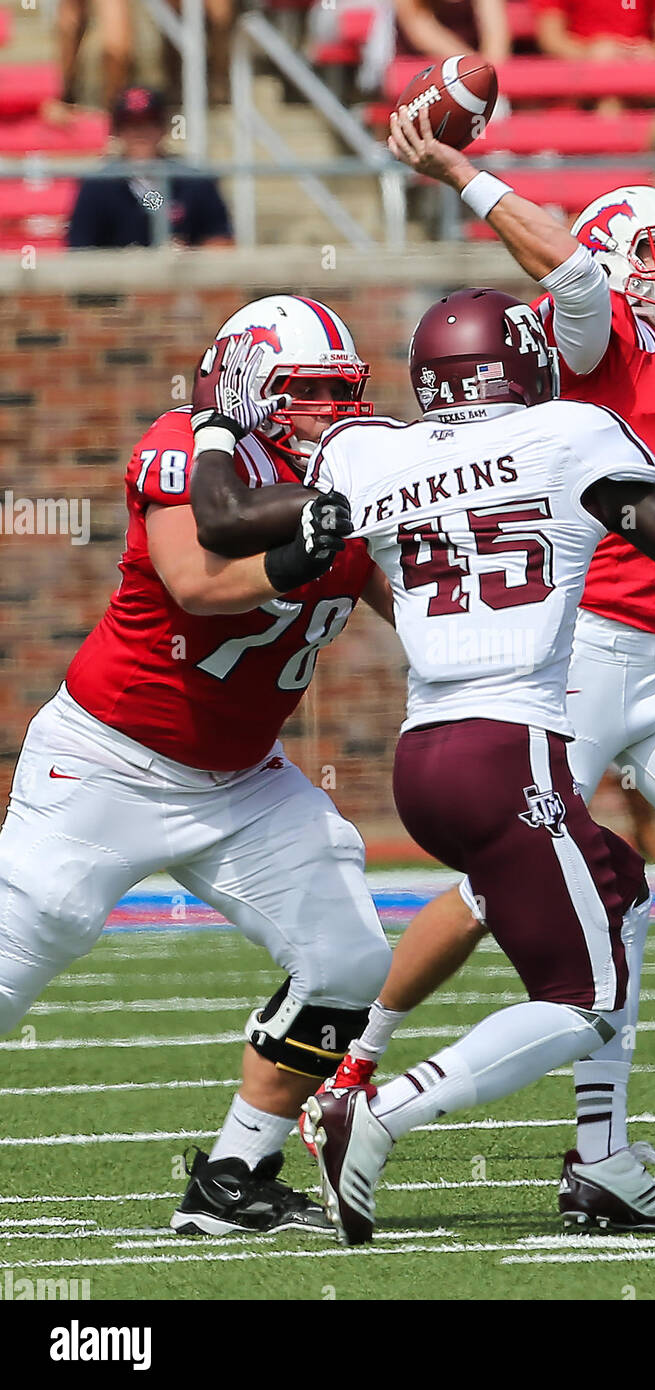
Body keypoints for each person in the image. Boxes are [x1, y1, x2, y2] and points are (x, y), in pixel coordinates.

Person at [315, 107, 655, 1239]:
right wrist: (464, 170)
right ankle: (357, 1061)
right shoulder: (596, 338)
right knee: (504, 880)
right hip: (576, 648)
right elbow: (558, 261)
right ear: (616, 259)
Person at [0, 295, 397, 1237]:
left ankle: (234, 1175)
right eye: (307, 393)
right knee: (18, 954)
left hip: (243, 779)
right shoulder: (188, 444)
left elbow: (413, 609)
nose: (332, 412)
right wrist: (303, 555)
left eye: (345, 392)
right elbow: (197, 582)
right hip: (107, 761)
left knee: (349, 960)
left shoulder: (357, 471)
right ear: (251, 386)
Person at [67, 87, 233, 250]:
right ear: (117, 131)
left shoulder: (194, 181)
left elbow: (221, 241)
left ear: (163, 128)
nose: (140, 133)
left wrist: (189, 258)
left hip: (181, 275)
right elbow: (81, 249)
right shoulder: (97, 185)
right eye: (130, 125)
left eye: (149, 123)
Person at [534, 0, 655, 59]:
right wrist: (590, 53)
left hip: (642, 65)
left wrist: (653, 53)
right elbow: (552, 40)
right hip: (587, 75)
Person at [394, 0, 511, 61]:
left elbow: (496, 40)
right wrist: (473, 69)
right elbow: (419, 30)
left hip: (473, 73)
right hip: (422, 73)